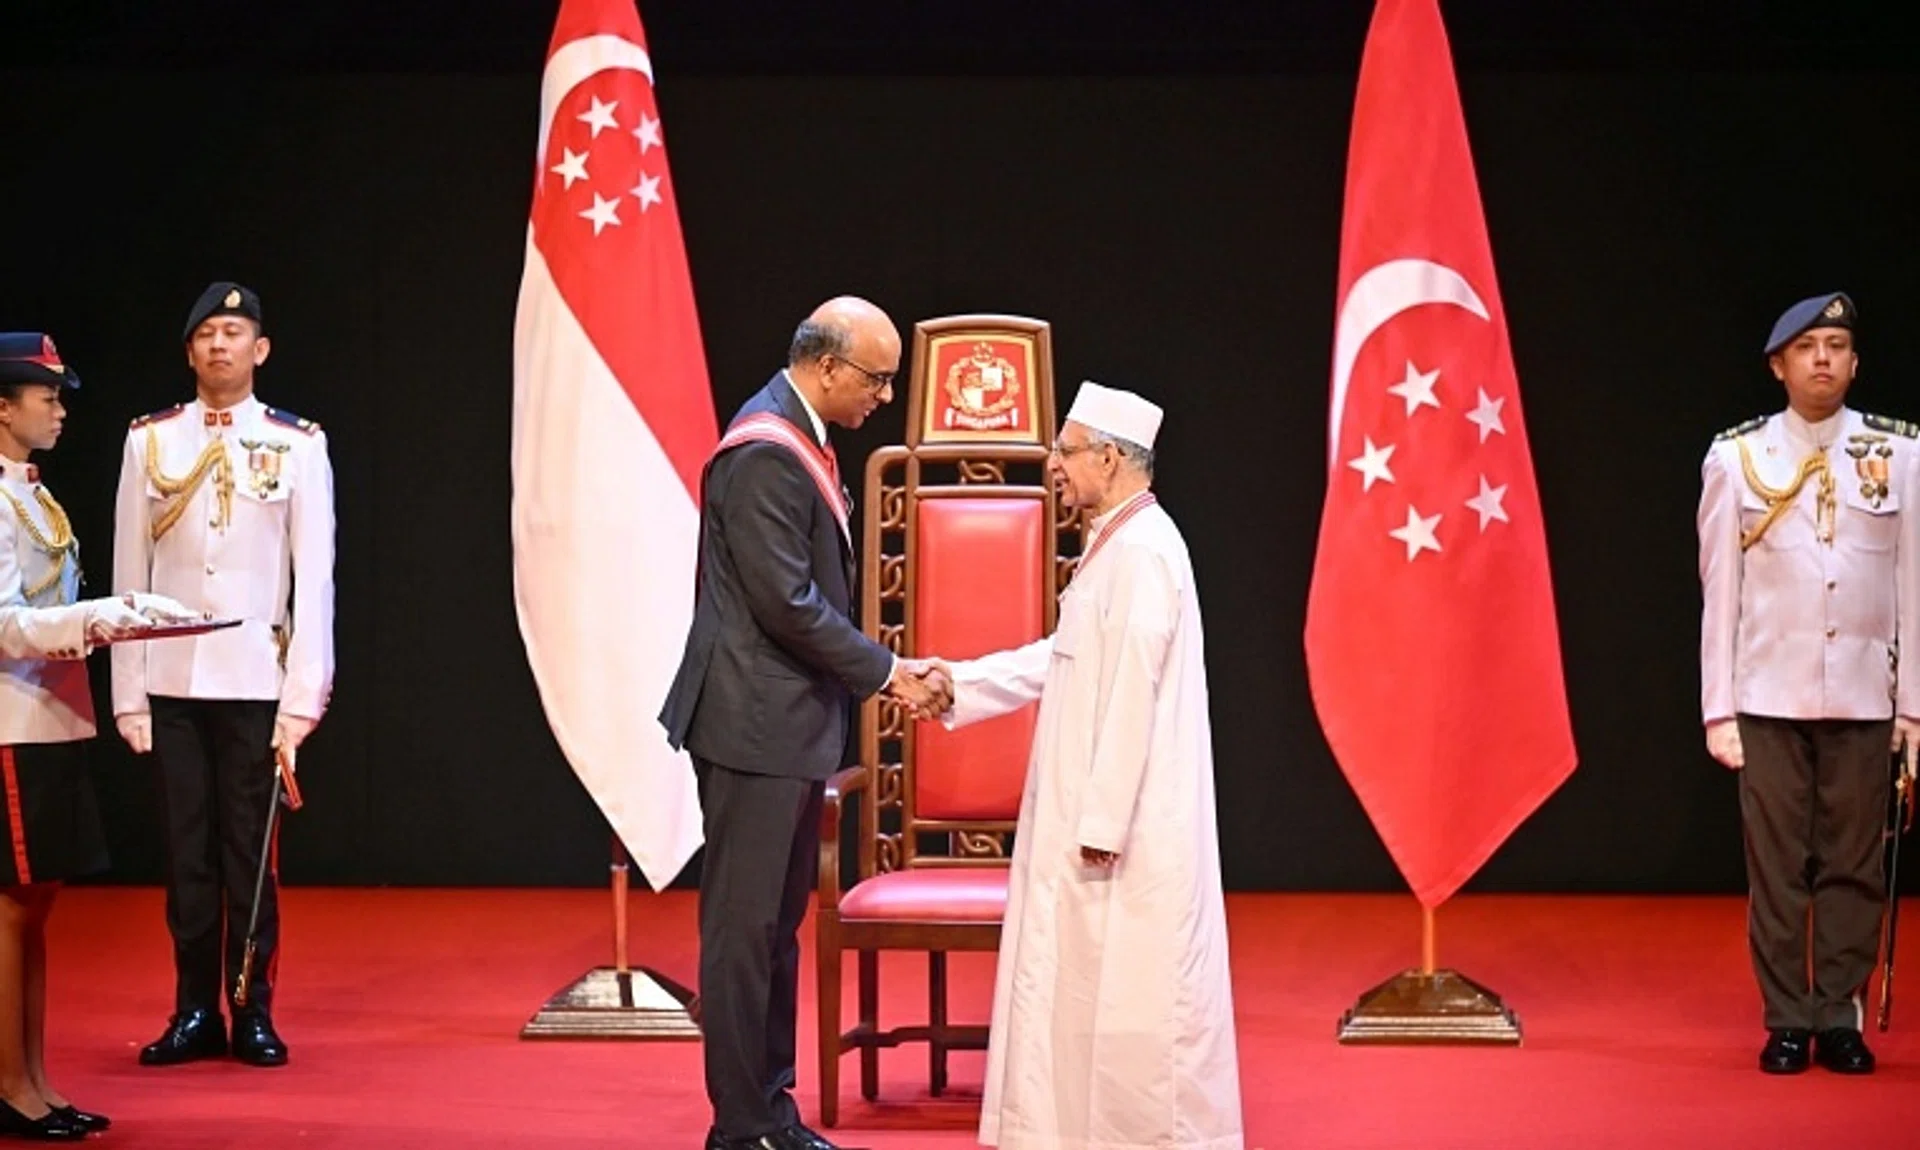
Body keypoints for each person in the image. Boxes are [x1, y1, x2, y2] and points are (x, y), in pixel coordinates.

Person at [916, 381, 1243, 1150]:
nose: (1054, 469)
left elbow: (1132, 692)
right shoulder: (1116, 548)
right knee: (1085, 998)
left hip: (1124, 833)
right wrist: (956, 684)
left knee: (1135, 1009)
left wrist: (1100, 823)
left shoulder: (1143, 553)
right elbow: (1056, 661)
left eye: (1063, 453)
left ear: (1108, 456)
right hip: (1098, 824)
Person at [659, 296, 948, 1150]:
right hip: (751, 727)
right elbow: (786, 605)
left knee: (774, 930)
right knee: (742, 934)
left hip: (787, 725)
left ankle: (772, 1111)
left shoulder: (801, 435)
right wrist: (891, 673)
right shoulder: (764, 453)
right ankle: (738, 1126)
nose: (885, 398)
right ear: (826, 366)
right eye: (877, 379)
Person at [111, 282, 336, 1069]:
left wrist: (301, 701)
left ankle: (253, 1009)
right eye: (206, 333)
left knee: (251, 854)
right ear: (189, 352)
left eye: (234, 332)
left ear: (260, 349)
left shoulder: (298, 444)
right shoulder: (151, 440)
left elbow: (316, 582)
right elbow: (126, 571)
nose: (219, 346)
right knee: (187, 854)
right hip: (172, 678)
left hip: (253, 683)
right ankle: (191, 1010)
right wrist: (129, 695)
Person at [1698, 291, 1918, 1075]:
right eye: (1807, 346)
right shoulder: (1737, 458)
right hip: (1767, 696)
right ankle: (1788, 1017)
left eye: (1836, 344)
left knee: (1856, 863)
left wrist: (1914, 710)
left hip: (1864, 697)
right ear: (1778, 365)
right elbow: (1719, 591)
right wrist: (1718, 709)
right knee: (1779, 865)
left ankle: (1840, 1016)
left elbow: (1913, 586)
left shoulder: (1903, 456)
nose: (1823, 358)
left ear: (1856, 363)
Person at [0, 332, 197, 1139]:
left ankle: (34, 1078)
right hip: (9, 724)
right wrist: (92, 618)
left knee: (35, 909)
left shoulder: (32, 494)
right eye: (44, 395)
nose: (59, 407)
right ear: (1, 406)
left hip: (50, 716)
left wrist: (116, 619)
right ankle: (11, 1084)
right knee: (11, 911)